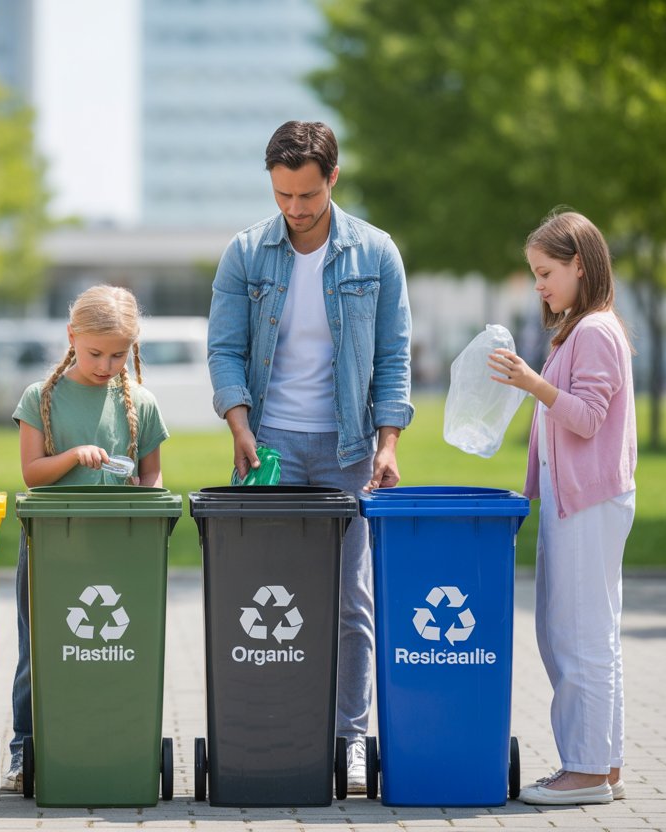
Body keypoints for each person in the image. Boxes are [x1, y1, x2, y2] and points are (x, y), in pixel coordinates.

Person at [206, 120, 413, 792]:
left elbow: (391, 359)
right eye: (282, 196)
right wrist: (240, 428)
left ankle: (350, 737)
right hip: (270, 448)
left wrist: (387, 445)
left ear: (333, 180)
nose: (294, 211)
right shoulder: (246, 253)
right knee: (269, 596)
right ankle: (277, 726)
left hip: (348, 450)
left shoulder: (376, 254)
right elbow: (225, 349)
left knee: (349, 599)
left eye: (307, 197)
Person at [488, 211, 635, 806]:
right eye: (534, 275)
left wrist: (532, 383)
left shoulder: (595, 332)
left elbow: (585, 417)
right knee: (586, 634)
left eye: (547, 272)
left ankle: (585, 770)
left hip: (589, 503)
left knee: (577, 636)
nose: (540, 286)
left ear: (580, 264)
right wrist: (527, 498)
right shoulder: (581, 330)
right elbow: (552, 430)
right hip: (578, 503)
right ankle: (604, 763)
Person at [2, 285, 169, 791]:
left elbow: (153, 479)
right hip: (54, 548)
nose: (106, 365)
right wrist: (75, 455)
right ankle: (25, 748)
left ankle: (110, 735)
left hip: (118, 550)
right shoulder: (42, 397)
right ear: (71, 337)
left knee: (114, 649)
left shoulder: (141, 401)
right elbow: (32, 473)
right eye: (95, 353)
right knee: (41, 650)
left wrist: (142, 494)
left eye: (118, 355)